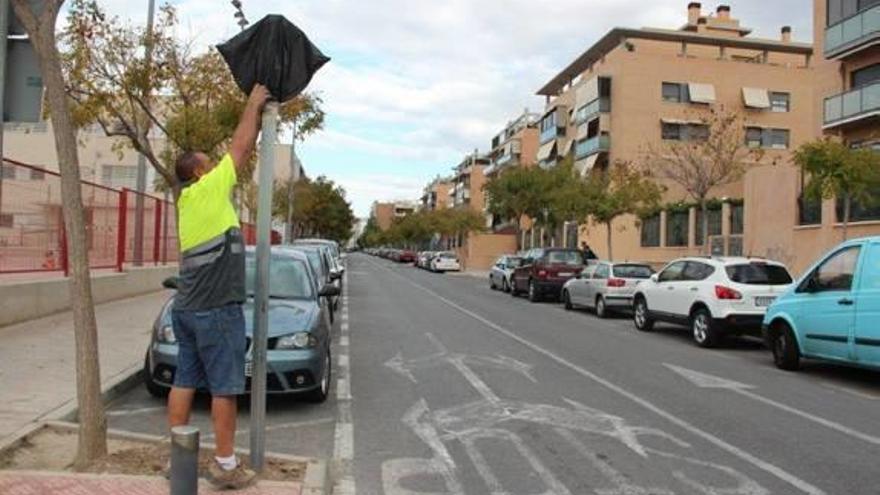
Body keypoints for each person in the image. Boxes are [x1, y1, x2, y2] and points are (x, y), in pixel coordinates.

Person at [167, 84, 270, 490]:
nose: (216, 168)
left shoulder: (187, 201)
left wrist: (259, 120)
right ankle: (226, 467)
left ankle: (178, 461)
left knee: (185, 380)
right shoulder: (207, 189)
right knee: (225, 389)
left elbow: (242, 146)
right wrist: (253, 103)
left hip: (187, 309)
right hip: (215, 311)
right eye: (209, 164)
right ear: (197, 172)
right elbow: (241, 148)